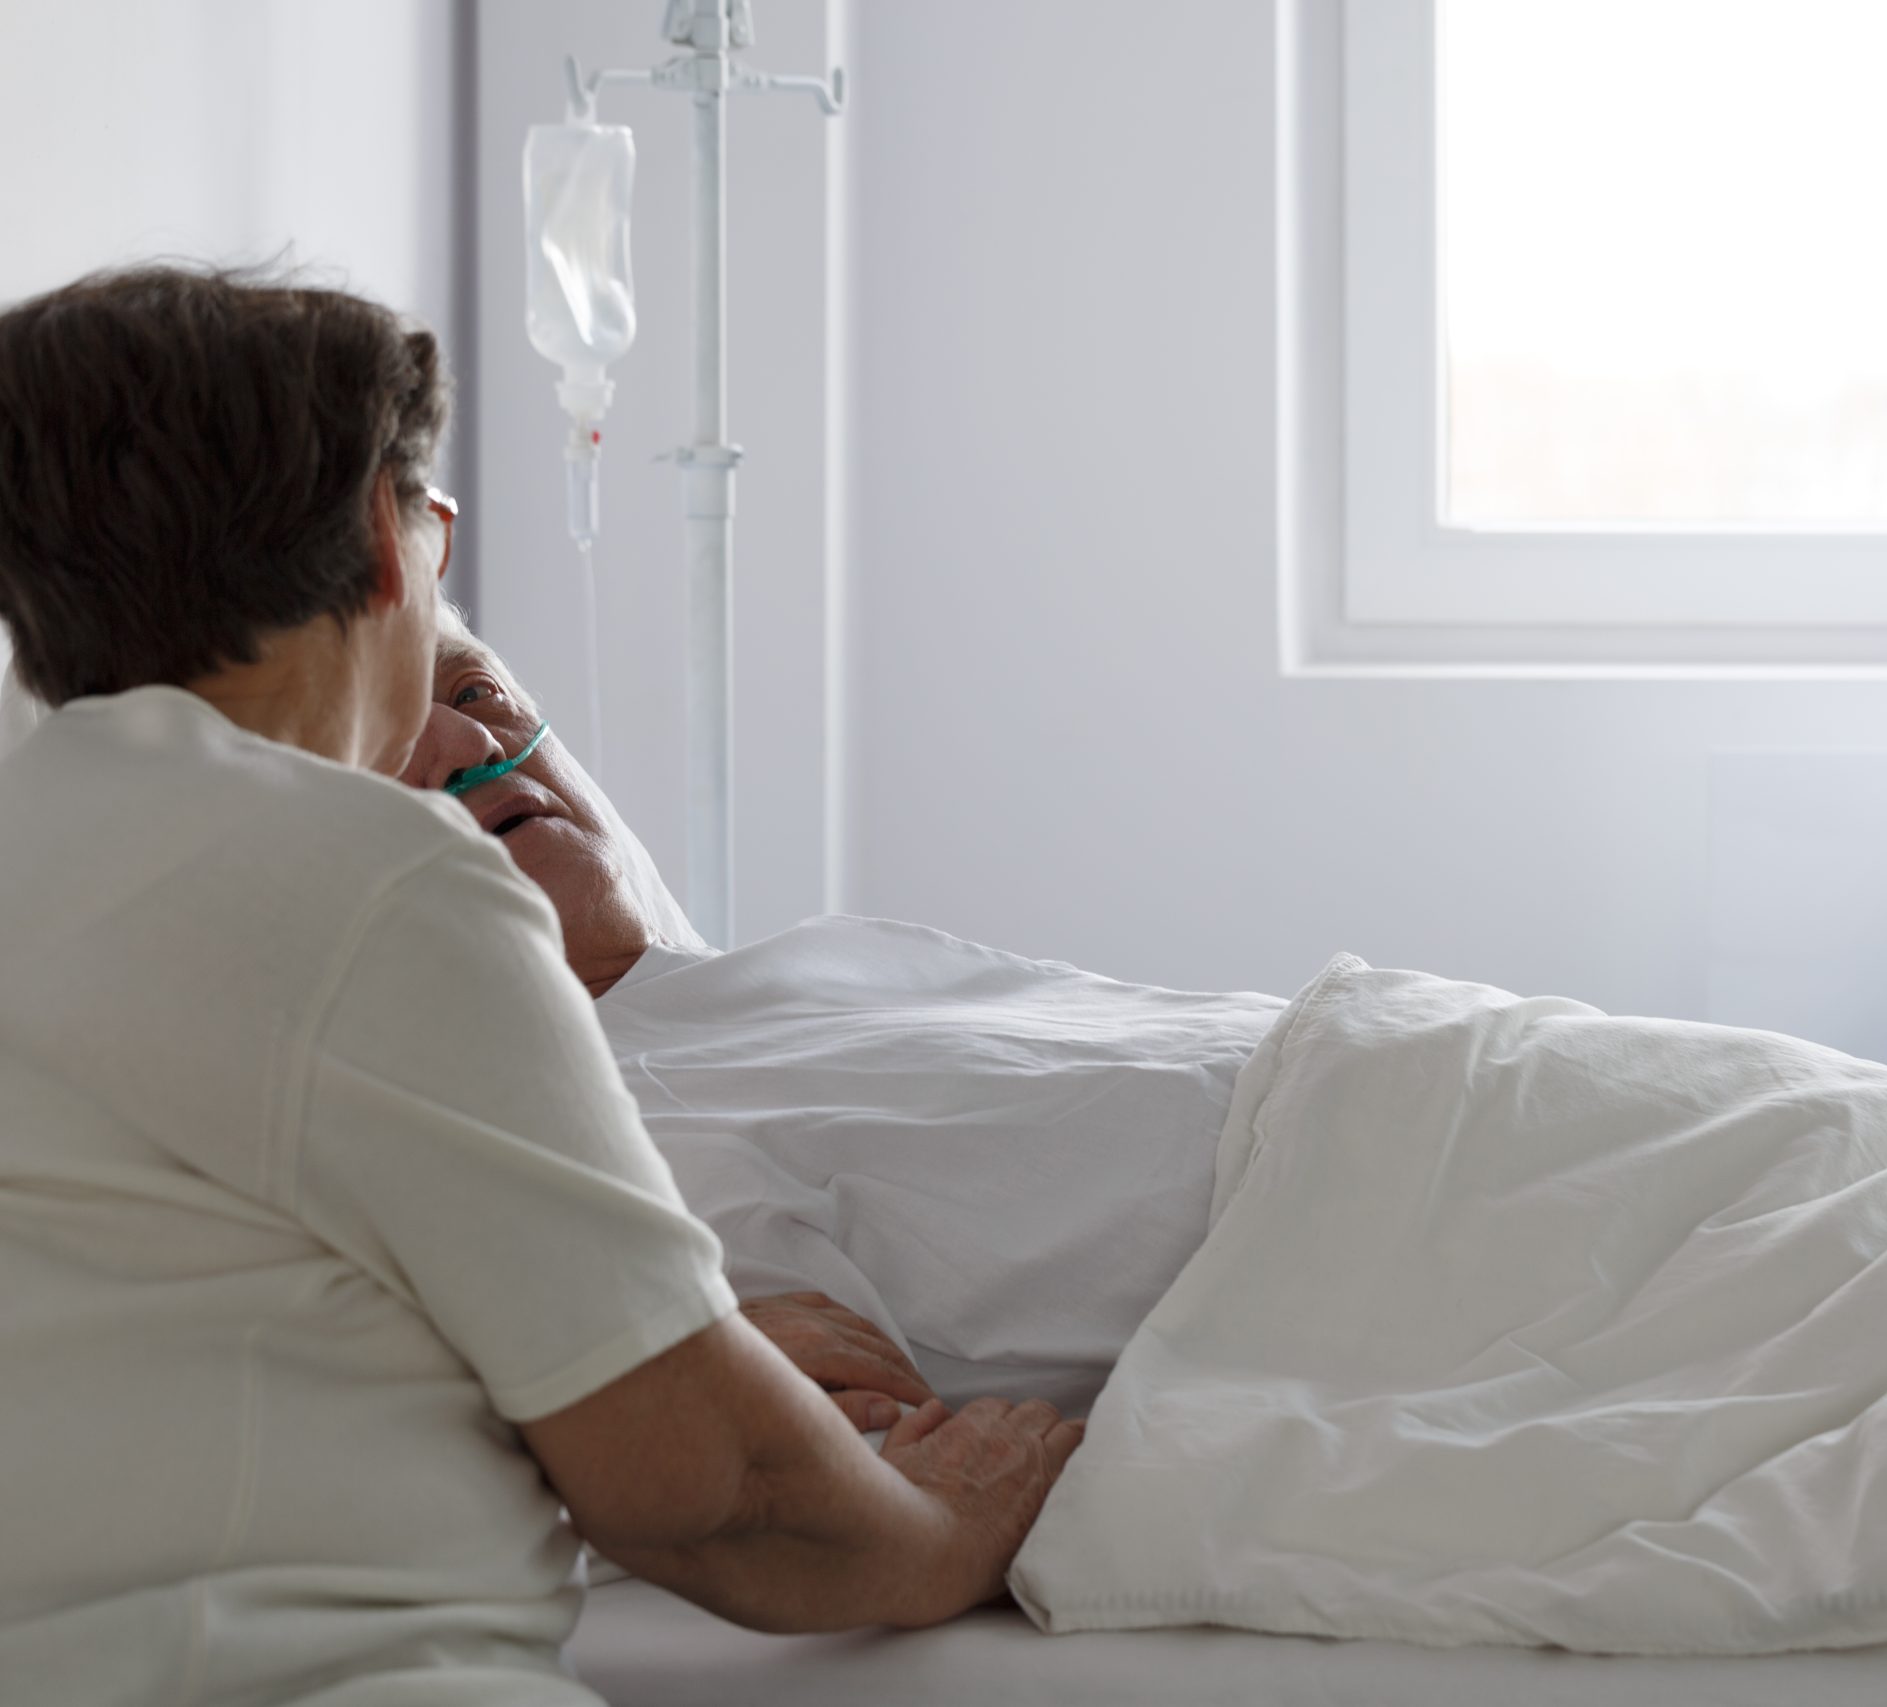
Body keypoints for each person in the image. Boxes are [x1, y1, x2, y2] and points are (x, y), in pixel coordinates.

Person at [0, 267, 1078, 1707]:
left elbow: (181, 1323)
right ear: (388, 544)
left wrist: (615, 1359)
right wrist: (961, 1515)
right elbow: (715, 1487)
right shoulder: (376, 880)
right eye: (434, 528)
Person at [402, 607, 1283, 1415]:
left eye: (475, 689)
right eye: (387, 743)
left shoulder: (798, 981)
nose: (471, 737)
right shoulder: (604, 1154)